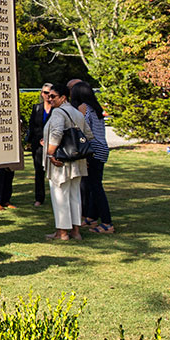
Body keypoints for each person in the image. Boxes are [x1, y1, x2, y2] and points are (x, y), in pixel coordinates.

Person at [43, 82, 92, 241]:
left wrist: (50, 154)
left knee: (60, 195)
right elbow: (88, 135)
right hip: (77, 160)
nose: (49, 99)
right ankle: (75, 231)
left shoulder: (58, 113)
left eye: (53, 96)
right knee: (74, 195)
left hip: (61, 160)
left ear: (63, 97)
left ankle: (62, 232)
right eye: (48, 96)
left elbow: (56, 133)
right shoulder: (77, 113)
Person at [71, 82, 114, 234]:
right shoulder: (96, 107)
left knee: (96, 187)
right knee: (92, 184)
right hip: (102, 148)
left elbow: (82, 131)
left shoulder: (83, 108)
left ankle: (107, 223)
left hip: (92, 150)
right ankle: (91, 217)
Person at [26, 82, 54, 207]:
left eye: (50, 93)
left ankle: (56, 198)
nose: (48, 96)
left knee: (54, 172)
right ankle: (39, 198)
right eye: (45, 92)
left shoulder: (57, 109)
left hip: (53, 144)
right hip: (38, 145)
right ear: (42, 94)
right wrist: (30, 141)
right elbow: (32, 126)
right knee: (39, 171)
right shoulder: (36, 108)